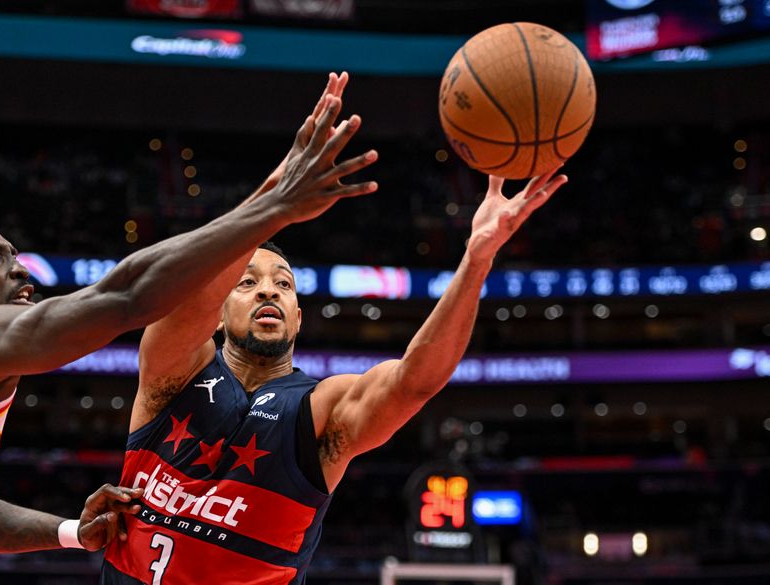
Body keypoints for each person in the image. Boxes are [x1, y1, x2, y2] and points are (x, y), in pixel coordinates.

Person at [0, 72, 377, 585]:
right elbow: (123, 298)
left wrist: (72, 532)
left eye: (15, 254)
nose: (20, 269)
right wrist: (270, 207)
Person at [100, 74, 568, 585]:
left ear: (298, 317)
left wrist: (477, 260)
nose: (267, 290)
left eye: (283, 283)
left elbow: (416, 380)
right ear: (216, 309)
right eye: (247, 281)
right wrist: (273, 199)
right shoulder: (172, 372)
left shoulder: (320, 409)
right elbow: (193, 278)